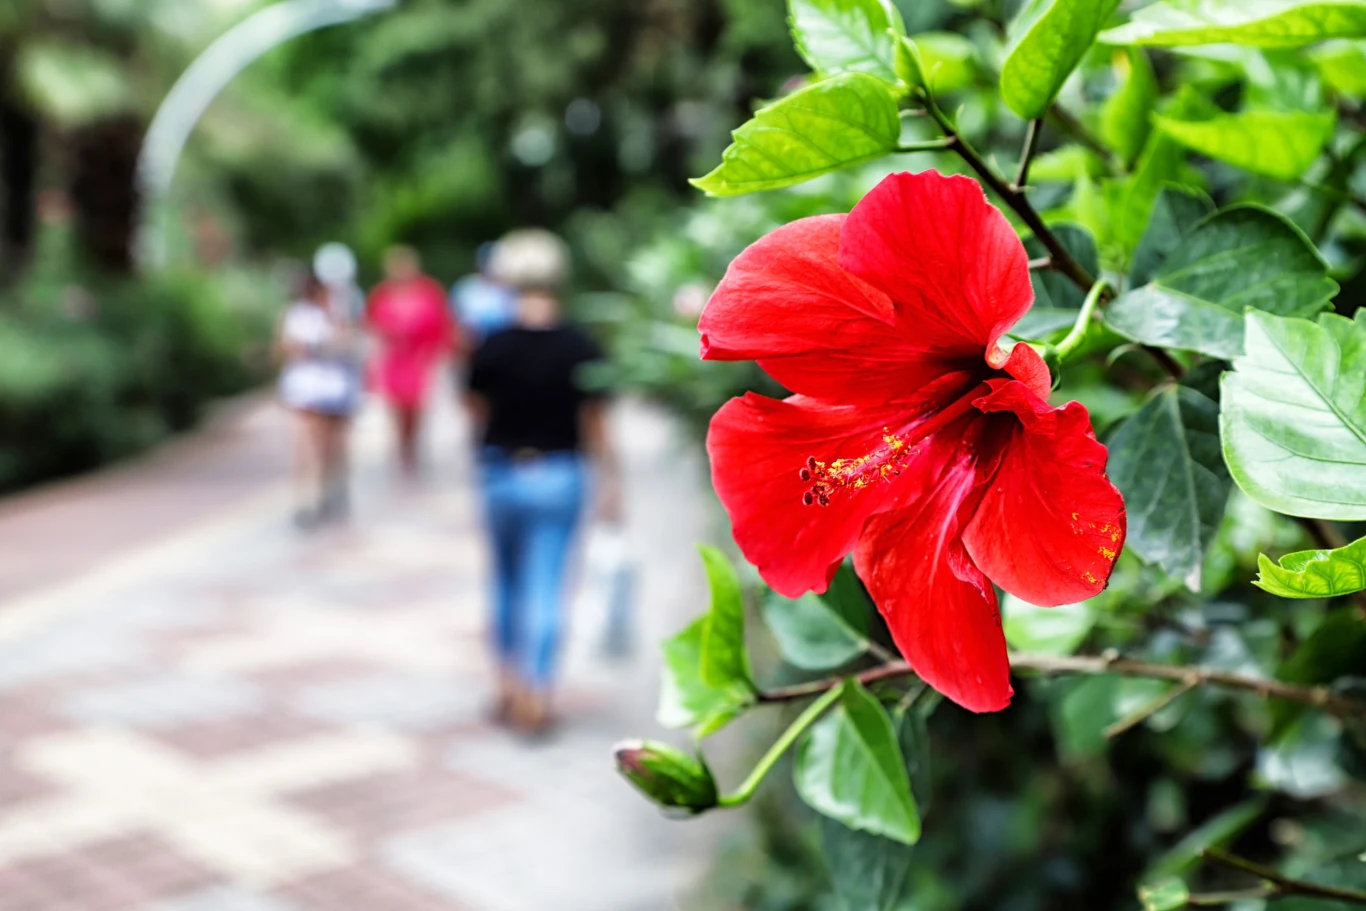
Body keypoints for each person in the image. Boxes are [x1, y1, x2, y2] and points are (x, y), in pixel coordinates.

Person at [464, 229, 620, 736]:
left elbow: (475, 410)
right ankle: (538, 692)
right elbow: (595, 423)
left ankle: (506, 684)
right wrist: (613, 484)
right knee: (548, 584)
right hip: (561, 474)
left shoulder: (492, 345)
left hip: (501, 472)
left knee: (505, 581)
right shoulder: (581, 345)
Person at [276, 273, 359, 528]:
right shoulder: (296, 315)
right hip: (306, 390)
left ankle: (329, 492)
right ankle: (306, 500)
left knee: (331, 446)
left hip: (335, 389)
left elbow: (348, 345)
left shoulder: (339, 313)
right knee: (306, 447)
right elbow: (287, 348)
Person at [366, 246, 456, 476]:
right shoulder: (382, 293)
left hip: (419, 359)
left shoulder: (429, 290)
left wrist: (438, 353)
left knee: (416, 408)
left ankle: (412, 448)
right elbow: (371, 325)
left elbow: (442, 324)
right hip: (394, 359)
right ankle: (401, 451)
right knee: (395, 408)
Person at [450, 241, 517, 350]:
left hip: (503, 348)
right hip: (471, 349)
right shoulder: (465, 288)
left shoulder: (510, 291)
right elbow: (454, 323)